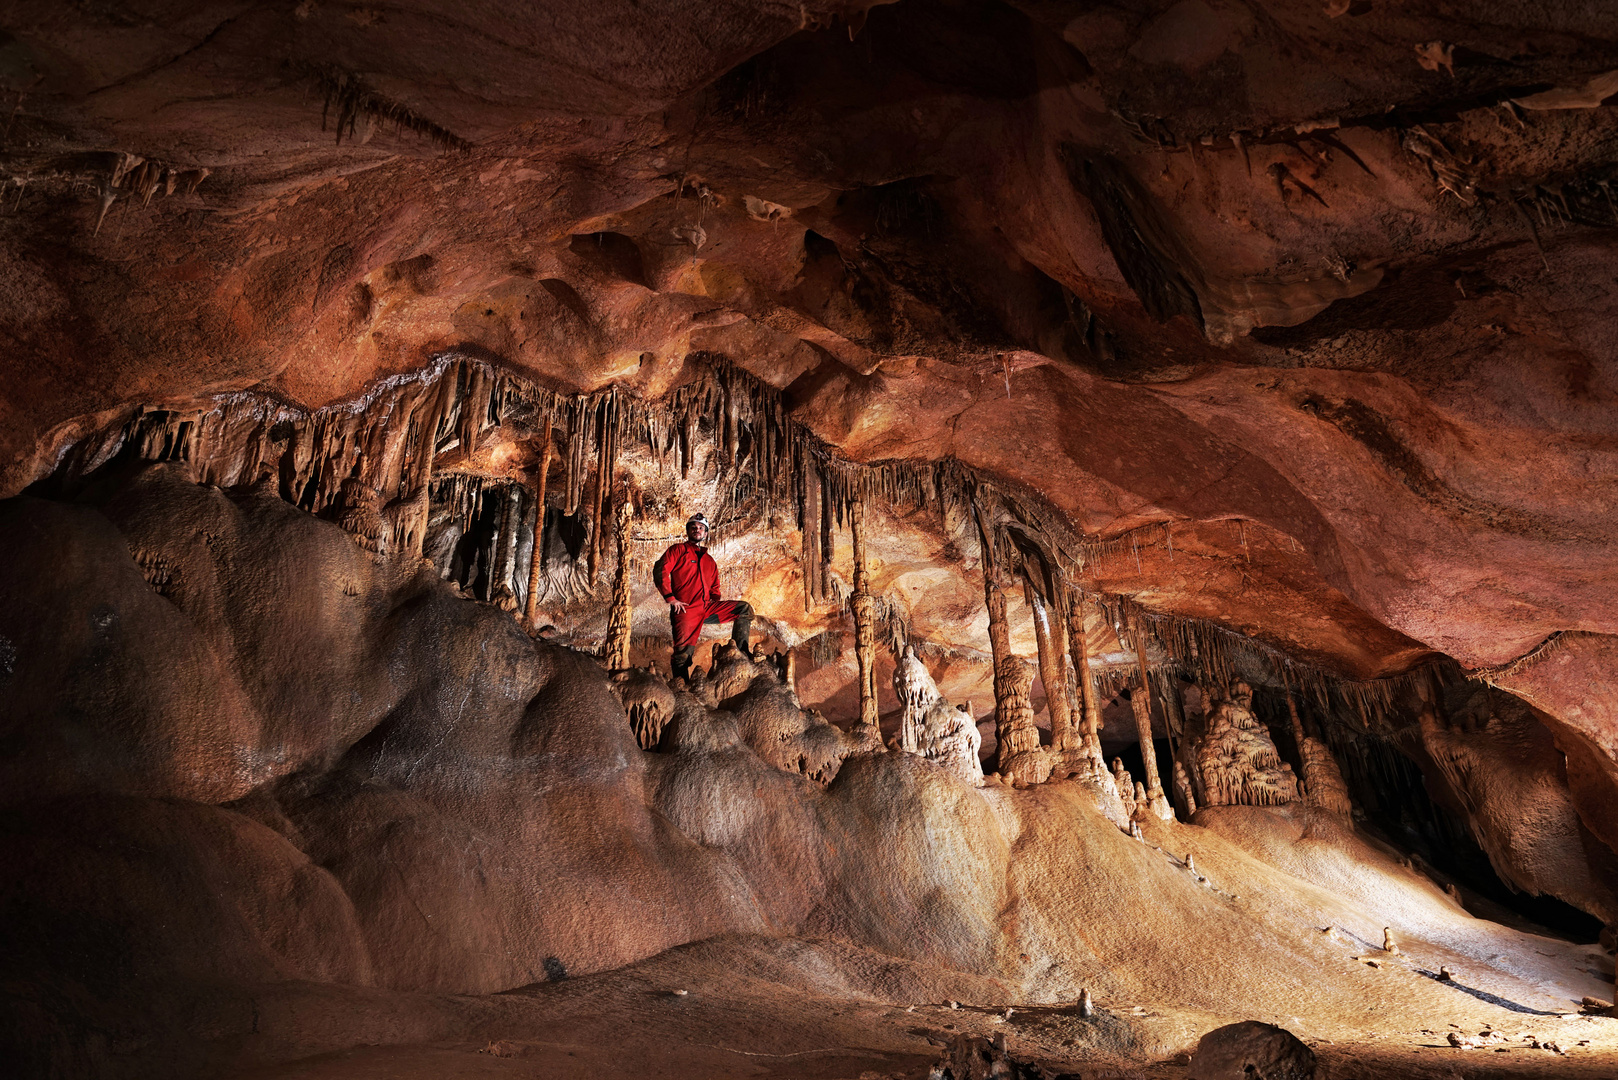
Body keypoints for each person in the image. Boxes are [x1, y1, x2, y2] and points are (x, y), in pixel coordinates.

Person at [653, 513, 753, 684]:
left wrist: (715, 599)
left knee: (744, 609)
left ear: (705, 533)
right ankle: (681, 689)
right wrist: (670, 598)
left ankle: (741, 654)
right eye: (693, 527)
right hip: (686, 610)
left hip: (707, 608)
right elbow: (660, 569)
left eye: (701, 528)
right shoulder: (678, 550)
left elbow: (715, 586)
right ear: (688, 531)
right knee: (683, 654)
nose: (697, 530)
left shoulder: (710, 561)